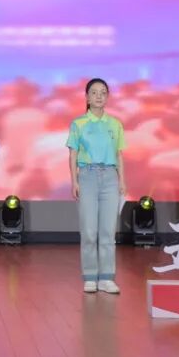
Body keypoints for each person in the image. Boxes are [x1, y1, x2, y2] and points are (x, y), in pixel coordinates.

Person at [67, 78, 126, 294]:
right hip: (88, 176)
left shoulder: (115, 124)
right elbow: (73, 154)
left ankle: (107, 278)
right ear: (87, 97)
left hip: (110, 177)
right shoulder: (79, 124)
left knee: (108, 232)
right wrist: (74, 181)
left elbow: (119, 155)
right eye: (94, 92)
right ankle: (90, 276)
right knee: (89, 231)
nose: (99, 96)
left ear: (107, 97)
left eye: (103, 92)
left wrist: (122, 181)